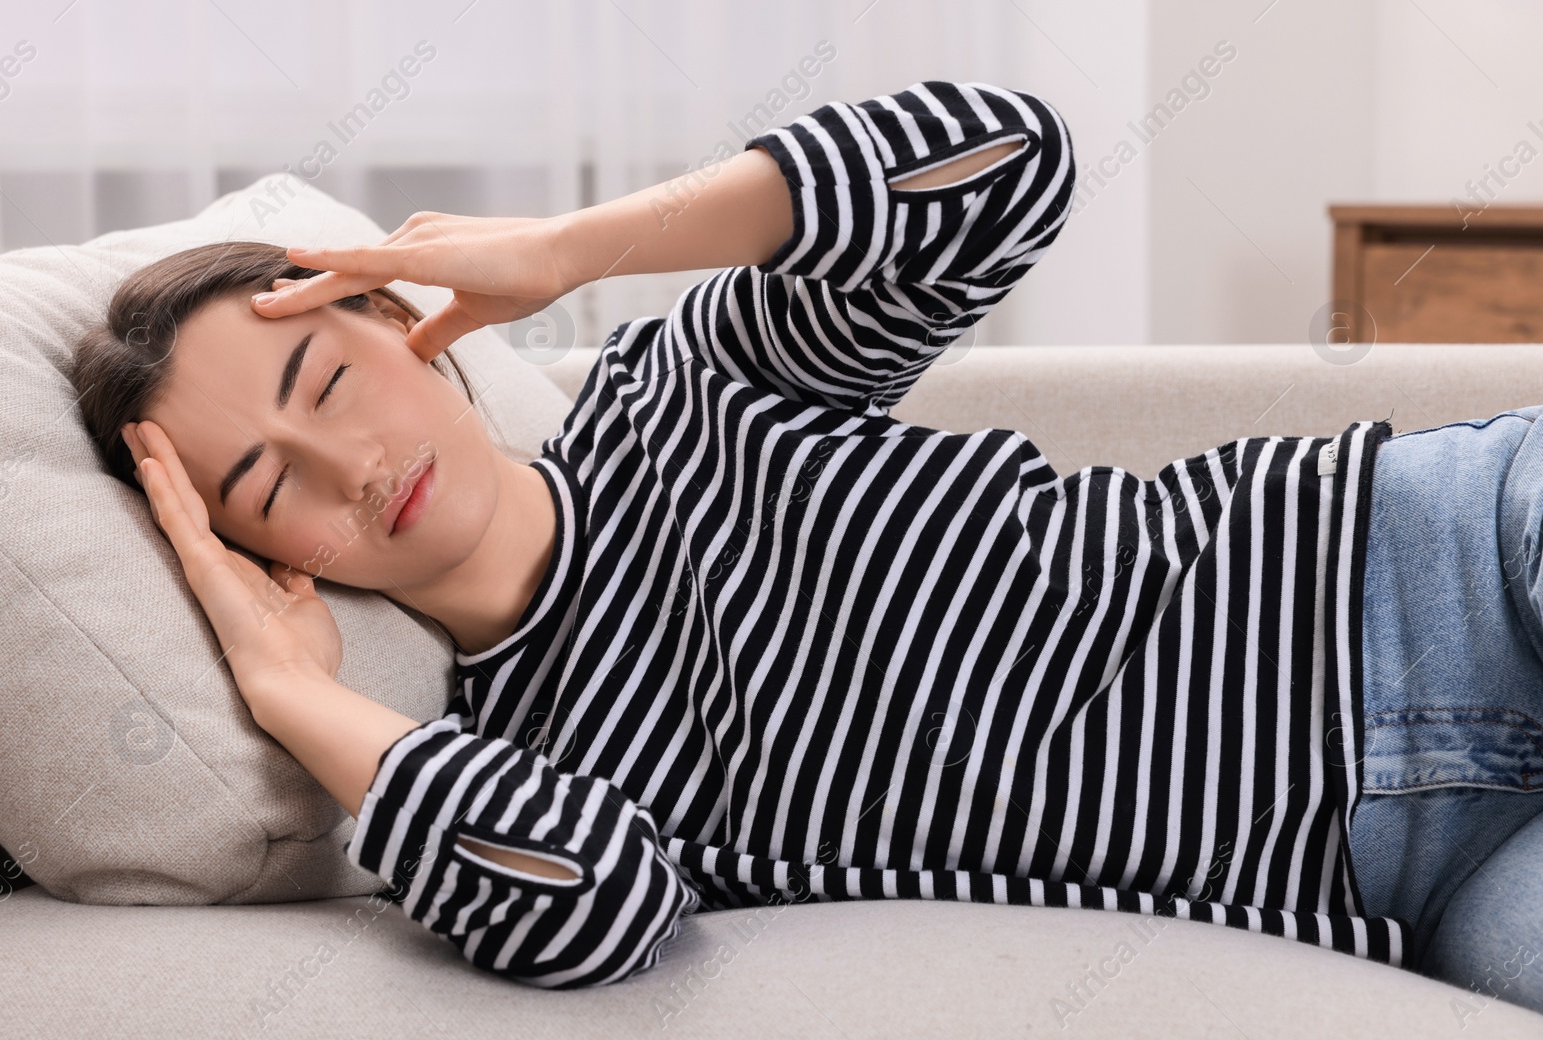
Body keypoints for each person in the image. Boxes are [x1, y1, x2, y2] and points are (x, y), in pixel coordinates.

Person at [75, 79, 1418, 993]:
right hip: (1385, 876)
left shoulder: (688, 387)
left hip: (1401, 574)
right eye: (268, 485)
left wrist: (577, 248)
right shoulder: (519, 760)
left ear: (403, 324)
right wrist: (290, 690)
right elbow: (596, 906)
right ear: (267, 558)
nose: (352, 468)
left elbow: (1010, 166)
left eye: (327, 383)